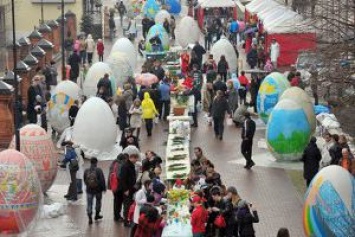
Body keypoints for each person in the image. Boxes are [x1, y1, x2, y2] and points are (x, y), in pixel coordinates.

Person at [83, 157, 106, 224]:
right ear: (96, 162)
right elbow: (102, 180)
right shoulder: (99, 170)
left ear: (90, 162)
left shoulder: (86, 170)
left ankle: (90, 217)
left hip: (89, 190)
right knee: (98, 202)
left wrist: (88, 185)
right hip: (98, 190)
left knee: (89, 204)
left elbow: (84, 179)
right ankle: (97, 215)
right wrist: (103, 188)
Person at [119, 153, 139, 226]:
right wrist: (125, 190)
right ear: (132, 158)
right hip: (127, 190)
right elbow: (122, 179)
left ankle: (129, 219)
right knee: (127, 205)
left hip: (131, 188)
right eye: (136, 159)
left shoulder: (131, 165)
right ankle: (126, 221)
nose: (136, 161)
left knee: (129, 204)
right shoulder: (125, 166)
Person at [108, 153, 127, 222]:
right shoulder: (119, 165)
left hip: (113, 186)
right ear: (122, 159)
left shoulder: (113, 163)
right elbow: (119, 176)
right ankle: (117, 216)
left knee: (116, 201)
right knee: (118, 201)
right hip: (118, 187)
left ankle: (116, 215)